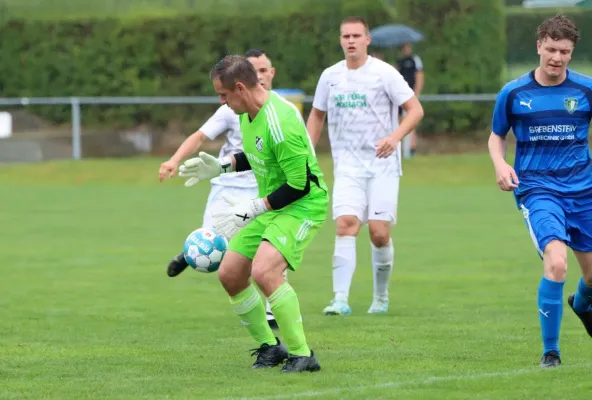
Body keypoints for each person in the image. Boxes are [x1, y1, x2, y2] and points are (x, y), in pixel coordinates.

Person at [178, 55, 328, 372]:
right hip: (272, 205)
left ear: (241, 88)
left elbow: (300, 186)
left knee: (264, 272)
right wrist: (222, 166)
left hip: (302, 206)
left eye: (223, 95)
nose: (222, 101)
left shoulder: (282, 120)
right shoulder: (248, 114)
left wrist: (256, 206)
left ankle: (304, 355)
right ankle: (271, 347)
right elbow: (257, 152)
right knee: (230, 273)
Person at [488, 14, 592, 368]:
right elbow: (497, 135)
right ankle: (552, 351)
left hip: (584, 191)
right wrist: (501, 164)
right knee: (558, 262)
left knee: (591, 276)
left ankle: (582, 303)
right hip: (538, 189)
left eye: (564, 51)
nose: (556, 58)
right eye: (550, 49)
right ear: (538, 46)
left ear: (572, 51)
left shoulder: (585, 89)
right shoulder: (514, 92)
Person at [159, 49, 285, 330]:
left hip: (261, 188)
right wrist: (174, 160)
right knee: (215, 250)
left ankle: (271, 313)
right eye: (255, 71)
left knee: (270, 250)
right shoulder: (231, 108)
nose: (260, 76)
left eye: (264, 70)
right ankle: (190, 254)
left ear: (270, 73)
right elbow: (200, 136)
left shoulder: (281, 113)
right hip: (226, 183)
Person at [306, 16, 424, 316]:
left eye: (357, 35)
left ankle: (381, 298)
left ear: (367, 40)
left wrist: (395, 137)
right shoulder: (330, 76)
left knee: (379, 233)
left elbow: (415, 110)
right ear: (340, 40)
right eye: (346, 36)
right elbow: (317, 115)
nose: (351, 41)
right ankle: (340, 299)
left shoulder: (384, 73)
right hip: (347, 166)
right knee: (346, 225)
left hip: (382, 166)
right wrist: (307, 153)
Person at [396, 43, 424, 156]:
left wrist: (416, 94)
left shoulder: (415, 60)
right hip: (400, 96)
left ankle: (411, 148)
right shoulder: (400, 62)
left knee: (411, 120)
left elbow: (420, 76)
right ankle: (402, 147)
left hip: (410, 96)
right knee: (401, 121)